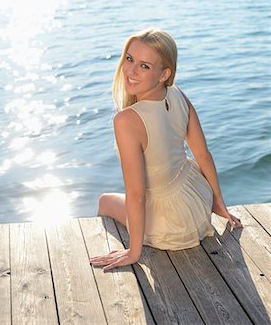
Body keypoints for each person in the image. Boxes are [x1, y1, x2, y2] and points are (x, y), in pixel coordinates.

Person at [89, 29, 242, 271]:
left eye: (144, 66)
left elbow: (137, 194)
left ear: (164, 74)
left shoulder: (127, 120)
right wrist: (217, 201)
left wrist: (133, 251)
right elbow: (203, 155)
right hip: (197, 201)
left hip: (171, 225)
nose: (130, 71)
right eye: (129, 59)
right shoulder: (177, 93)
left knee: (105, 201)